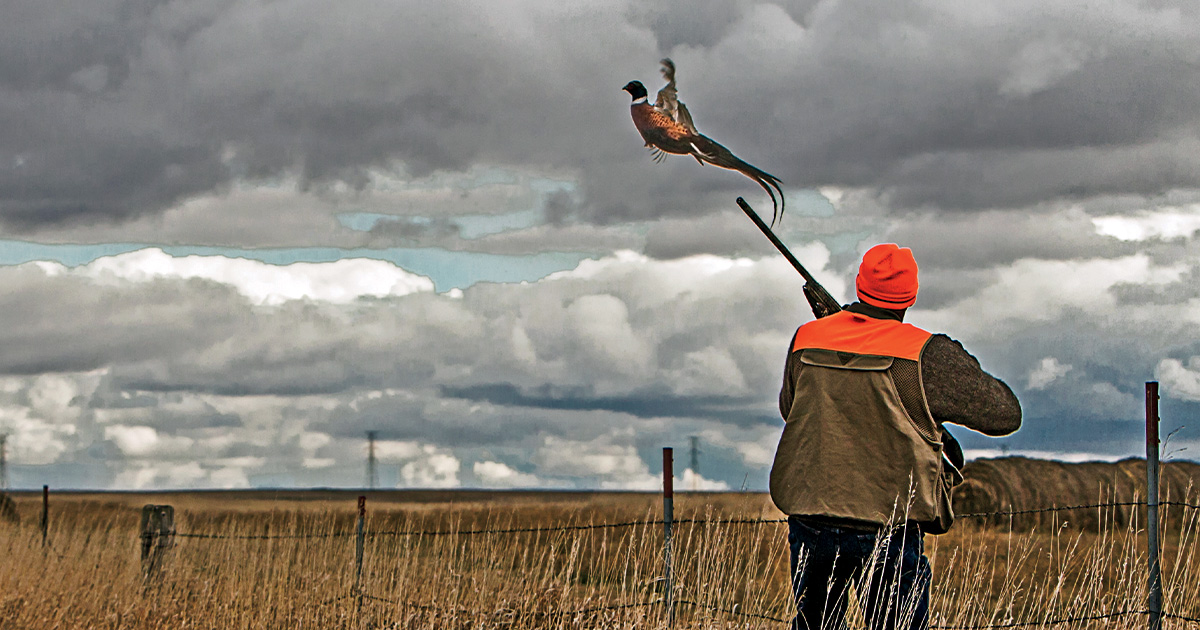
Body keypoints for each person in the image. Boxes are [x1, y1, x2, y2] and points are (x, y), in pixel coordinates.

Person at [771, 243, 1021, 630]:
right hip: (889, 528)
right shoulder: (925, 353)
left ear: (859, 284)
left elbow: (793, 411)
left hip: (811, 520)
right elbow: (1005, 414)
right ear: (911, 295)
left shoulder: (807, 338)